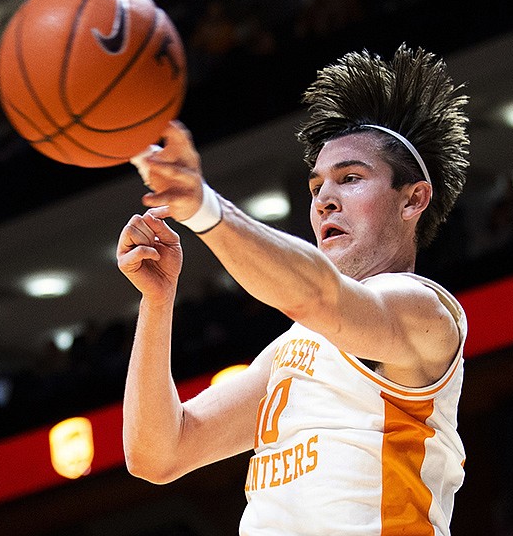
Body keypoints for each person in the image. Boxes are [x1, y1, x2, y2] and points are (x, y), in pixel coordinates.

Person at [117, 44, 470, 535]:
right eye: (316, 187)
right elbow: (159, 453)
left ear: (414, 199)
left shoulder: (425, 312)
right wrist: (156, 302)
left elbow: (321, 296)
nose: (326, 200)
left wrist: (204, 209)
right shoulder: (291, 350)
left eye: (350, 179)